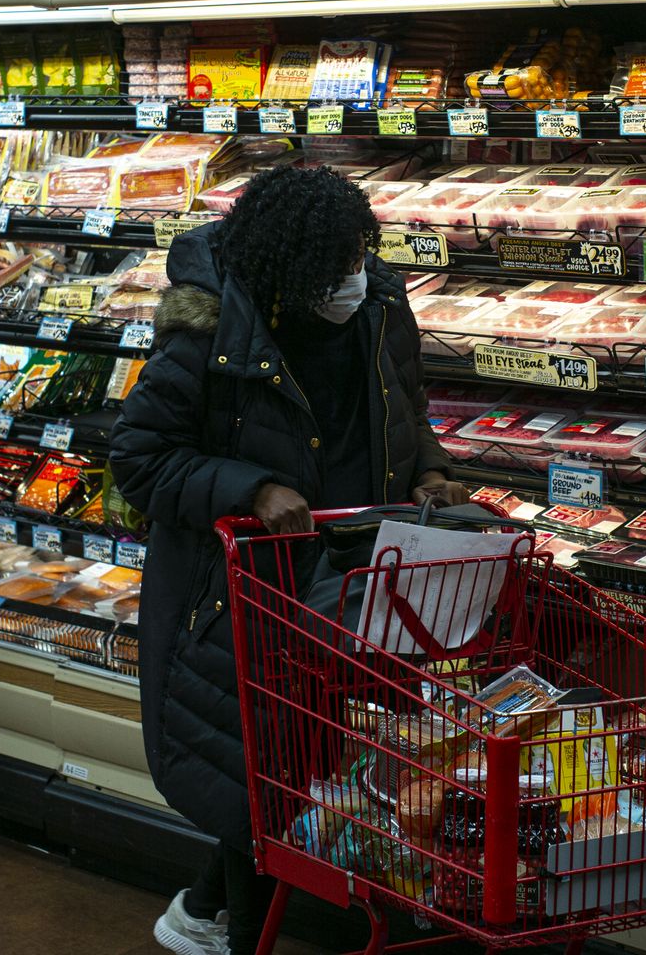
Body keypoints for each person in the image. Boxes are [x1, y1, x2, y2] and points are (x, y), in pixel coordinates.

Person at [109, 165, 462, 955]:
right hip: (239, 591)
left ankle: (201, 909)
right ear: (285, 272)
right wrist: (252, 486)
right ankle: (231, 932)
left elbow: (405, 411)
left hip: (349, 581)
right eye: (334, 264)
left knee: (291, 766)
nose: (352, 276)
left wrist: (430, 472)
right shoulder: (210, 326)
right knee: (262, 773)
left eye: (359, 255)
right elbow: (140, 457)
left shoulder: (378, 300)